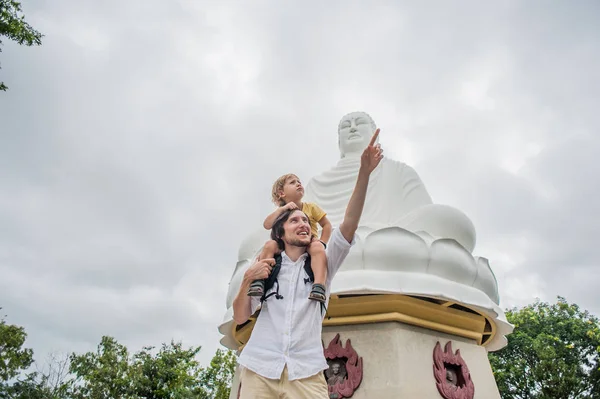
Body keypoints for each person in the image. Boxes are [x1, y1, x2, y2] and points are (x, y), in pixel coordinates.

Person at [232, 129, 383, 398]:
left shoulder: (321, 260)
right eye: (294, 220)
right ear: (280, 232)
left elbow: (348, 224)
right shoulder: (267, 264)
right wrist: (247, 279)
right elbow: (241, 316)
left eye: (305, 221)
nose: (302, 223)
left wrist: (364, 173)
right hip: (259, 368)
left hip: (307, 372)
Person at [247, 173, 332, 303]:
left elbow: (326, 225)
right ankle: (259, 280)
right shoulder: (281, 211)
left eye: (299, 181)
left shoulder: (311, 207)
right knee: (269, 245)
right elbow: (267, 224)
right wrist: (284, 209)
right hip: (284, 245)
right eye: (292, 182)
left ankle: (319, 286)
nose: (298, 184)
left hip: (308, 243)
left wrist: (322, 243)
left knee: (317, 248)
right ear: (281, 193)